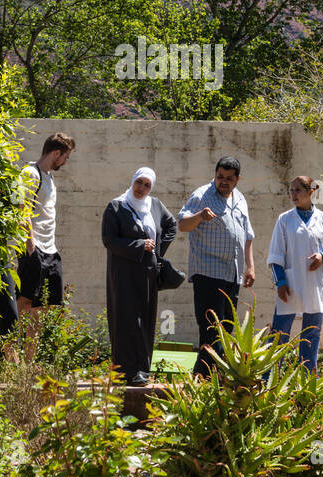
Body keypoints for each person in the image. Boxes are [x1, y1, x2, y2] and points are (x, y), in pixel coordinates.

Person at [177, 156, 255, 378]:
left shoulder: (240, 199)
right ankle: (205, 382)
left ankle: (210, 380)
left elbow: (247, 236)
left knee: (227, 331)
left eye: (229, 178)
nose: (223, 181)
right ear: (215, 174)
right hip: (208, 273)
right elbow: (182, 224)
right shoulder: (202, 195)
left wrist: (250, 266)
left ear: (237, 179)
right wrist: (199, 216)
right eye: (220, 176)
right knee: (212, 331)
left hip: (233, 275)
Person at [103, 167, 178, 387]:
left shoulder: (155, 205)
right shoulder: (116, 206)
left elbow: (172, 225)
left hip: (148, 272)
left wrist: (156, 252)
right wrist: (139, 245)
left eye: (147, 185)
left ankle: (141, 371)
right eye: (139, 182)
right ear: (133, 180)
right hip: (123, 272)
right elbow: (109, 239)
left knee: (145, 320)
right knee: (124, 319)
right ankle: (121, 370)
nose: (141, 188)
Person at [268, 175, 323, 372]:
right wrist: (281, 282)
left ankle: (308, 378)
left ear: (311, 192)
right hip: (291, 284)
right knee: (279, 333)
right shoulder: (284, 220)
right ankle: (269, 378)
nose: (293, 194)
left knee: (311, 334)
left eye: (298, 190)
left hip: (314, 284)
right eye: (291, 190)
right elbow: (276, 254)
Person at [17, 133, 75, 313]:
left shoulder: (49, 177)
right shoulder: (29, 173)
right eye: (65, 157)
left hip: (50, 249)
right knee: (25, 300)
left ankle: (33, 343)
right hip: (33, 247)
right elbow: (21, 208)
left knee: (43, 305)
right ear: (56, 153)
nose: (65, 162)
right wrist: (30, 242)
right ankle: (13, 341)